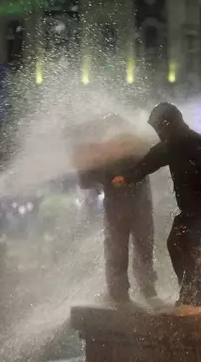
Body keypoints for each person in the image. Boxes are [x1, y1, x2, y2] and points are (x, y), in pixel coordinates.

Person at [112, 102, 201, 316]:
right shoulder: (170, 144)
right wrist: (128, 177)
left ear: (168, 124)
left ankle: (195, 300)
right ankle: (190, 291)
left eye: (158, 127)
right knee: (175, 243)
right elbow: (149, 162)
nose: (157, 132)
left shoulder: (193, 143)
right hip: (191, 210)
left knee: (195, 249)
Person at [72, 114, 158, 306]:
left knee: (142, 246)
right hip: (119, 208)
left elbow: (151, 159)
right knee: (118, 249)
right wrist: (88, 163)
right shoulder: (101, 152)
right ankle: (120, 293)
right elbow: (85, 181)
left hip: (138, 204)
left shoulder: (133, 145)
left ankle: (146, 290)